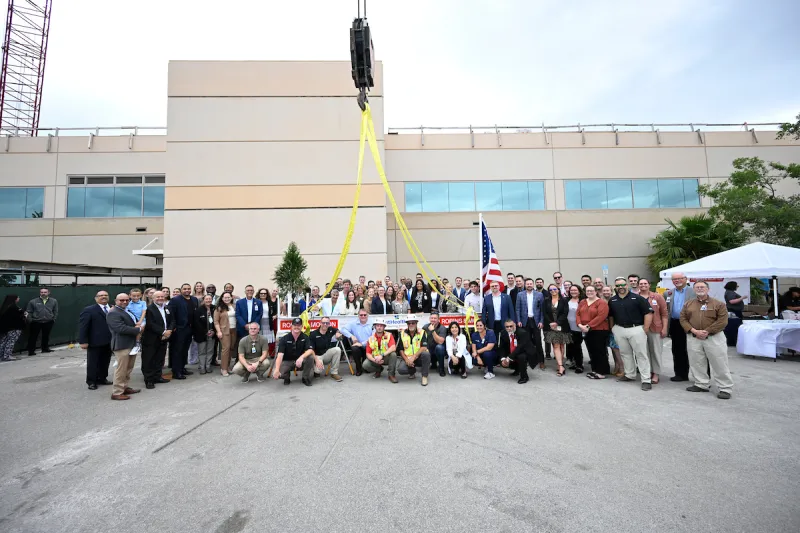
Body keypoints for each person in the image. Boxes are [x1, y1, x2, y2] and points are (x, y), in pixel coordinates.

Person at [680, 281, 732, 399]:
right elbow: (683, 319)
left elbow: (722, 321)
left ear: (708, 289)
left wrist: (707, 331)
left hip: (714, 337)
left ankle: (725, 388)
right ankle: (701, 384)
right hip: (694, 337)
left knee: (719, 363)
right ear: (694, 290)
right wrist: (694, 331)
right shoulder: (688, 304)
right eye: (697, 287)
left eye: (702, 287)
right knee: (697, 362)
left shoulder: (719, 304)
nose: (699, 289)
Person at [607, 276, 653, 391]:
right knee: (625, 354)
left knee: (641, 354)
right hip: (619, 329)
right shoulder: (612, 300)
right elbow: (611, 316)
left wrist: (645, 329)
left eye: (623, 285)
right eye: (618, 286)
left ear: (627, 285)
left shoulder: (638, 298)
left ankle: (646, 379)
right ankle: (629, 374)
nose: (620, 287)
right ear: (615, 287)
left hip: (636, 329)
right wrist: (613, 328)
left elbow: (648, 313)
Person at [106, 293, 145, 400]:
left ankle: (124, 387)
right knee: (121, 369)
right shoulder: (113, 313)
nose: (124, 302)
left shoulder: (126, 310)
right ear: (116, 301)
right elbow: (120, 329)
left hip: (130, 344)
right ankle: (117, 392)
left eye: (127, 300)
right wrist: (139, 330)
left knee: (128, 368)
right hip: (121, 345)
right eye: (121, 300)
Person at [78, 291, 113, 389]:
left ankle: (102, 378)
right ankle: (91, 381)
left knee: (105, 361)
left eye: (106, 295)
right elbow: (83, 326)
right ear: (96, 298)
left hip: (109, 341)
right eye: (101, 295)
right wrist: (83, 341)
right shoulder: (89, 310)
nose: (103, 297)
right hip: (95, 341)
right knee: (93, 362)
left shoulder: (112, 308)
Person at [666, 272, 695, 382]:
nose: (677, 281)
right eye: (674, 279)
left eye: (679, 278)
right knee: (677, 350)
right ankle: (680, 374)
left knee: (695, 350)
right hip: (675, 324)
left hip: (691, 323)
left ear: (685, 279)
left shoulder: (694, 292)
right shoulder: (668, 293)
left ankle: (702, 378)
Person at [141, 290, 174, 388]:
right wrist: (163, 332)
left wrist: (169, 330)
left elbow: (172, 320)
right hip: (151, 339)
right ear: (153, 298)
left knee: (160, 358)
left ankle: (158, 376)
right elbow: (150, 324)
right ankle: (149, 380)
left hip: (164, 338)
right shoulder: (149, 309)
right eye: (158, 297)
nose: (160, 298)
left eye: (162, 297)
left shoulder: (167, 308)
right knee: (149, 359)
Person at [576, 285, 610, 379]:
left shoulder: (601, 303)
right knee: (592, 351)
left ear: (596, 292)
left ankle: (602, 372)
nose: (589, 292)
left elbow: (601, 317)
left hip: (599, 330)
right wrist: (580, 325)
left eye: (591, 291)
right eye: (587, 291)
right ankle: (595, 370)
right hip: (585, 330)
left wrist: (588, 326)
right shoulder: (582, 302)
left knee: (600, 351)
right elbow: (578, 314)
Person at [638, 278, 668, 384]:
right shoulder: (635, 297)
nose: (643, 285)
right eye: (641, 284)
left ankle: (656, 373)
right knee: (644, 352)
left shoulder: (657, 297)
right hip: (640, 328)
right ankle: (648, 371)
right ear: (638, 286)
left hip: (655, 328)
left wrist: (664, 328)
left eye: (645, 283)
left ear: (649, 285)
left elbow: (664, 314)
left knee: (655, 351)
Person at [167, 283, 198, 379]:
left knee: (185, 349)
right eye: (185, 289)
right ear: (181, 290)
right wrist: (173, 327)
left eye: (188, 289)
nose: (187, 290)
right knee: (178, 350)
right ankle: (176, 371)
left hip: (190, 328)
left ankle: (182, 367)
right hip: (179, 329)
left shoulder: (194, 299)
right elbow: (171, 315)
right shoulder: (175, 300)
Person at [272, 318, 315, 386]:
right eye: (295, 325)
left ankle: (305, 377)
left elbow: (310, 350)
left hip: (300, 361)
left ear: (302, 327)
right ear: (291, 326)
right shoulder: (284, 339)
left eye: (299, 325)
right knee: (278, 374)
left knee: (310, 357)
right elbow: (280, 356)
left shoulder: (305, 337)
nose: (296, 327)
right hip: (287, 361)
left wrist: (301, 358)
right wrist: (277, 369)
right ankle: (286, 377)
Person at [515, 277, 544, 370]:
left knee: (538, 342)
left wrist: (541, 321)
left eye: (531, 284)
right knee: (526, 342)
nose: (529, 285)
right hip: (525, 321)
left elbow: (542, 310)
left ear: (533, 284)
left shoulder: (539, 295)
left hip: (535, 321)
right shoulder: (520, 294)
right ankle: (528, 360)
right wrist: (518, 320)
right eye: (527, 284)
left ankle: (541, 361)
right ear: (525, 284)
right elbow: (518, 309)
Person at [543, 283, 571, 376]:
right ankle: (560, 365)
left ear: (558, 290)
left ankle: (560, 365)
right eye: (550, 290)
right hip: (550, 326)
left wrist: (557, 323)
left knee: (562, 345)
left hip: (562, 325)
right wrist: (551, 323)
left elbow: (565, 313)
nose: (553, 291)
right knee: (555, 345)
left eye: (554, 289)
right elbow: (545, 313)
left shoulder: (564, 300)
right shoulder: (546, 300)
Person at [397, 314, 432, 386]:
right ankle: (412, 372)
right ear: (407, 324)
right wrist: (407, 360)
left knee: (426, 354)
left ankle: (424, 376)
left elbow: (424, 347)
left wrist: (414, 356)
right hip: (408, 358)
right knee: (401, 370)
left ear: (416, 323)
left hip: (418, 357)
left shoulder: (422, 332)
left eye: (413, 323)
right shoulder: (402, 333)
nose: (411, 324)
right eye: (409, 323)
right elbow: (400, 349)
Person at [497, 319, 532, 384]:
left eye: (511, 326)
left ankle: (524, 377)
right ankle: (517, 369)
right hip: (512, 352)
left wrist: (508, 358)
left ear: (515, 326)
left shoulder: (522, 333)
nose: (509, 328)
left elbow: (520, 348)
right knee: (500, 358)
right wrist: (503, 359)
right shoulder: (503, 333)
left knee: (521, 357)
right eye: (507, 327)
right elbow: (501, 347)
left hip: (524, 352)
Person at [308, 317, 344, 381]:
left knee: (337, 349)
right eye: (323, 323)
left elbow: (337, 330)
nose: (325, 324)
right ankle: (316, 371)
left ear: (329, 324)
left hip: (326, 354)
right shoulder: (313, 334)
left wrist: (337, 333)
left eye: (327, 323)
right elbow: (311, 350)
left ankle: (334, 373)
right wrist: (316, 360)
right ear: (320, 323)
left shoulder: (330, 330)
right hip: (317, 356)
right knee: (318, 370)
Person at [25, 287, 58, 356]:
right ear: (40, 293)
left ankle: (45, 348)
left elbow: (55, 311)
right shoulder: (33, 301)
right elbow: (28, 312)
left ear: (48, 293)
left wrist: (53, 319)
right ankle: (31, 351)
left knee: (46, 336)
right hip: (36, 321)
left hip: (48, 321)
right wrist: (30, 320)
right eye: (42, 292)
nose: (43, 293)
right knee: (33, 337)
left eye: (45, 292)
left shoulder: (54, 301)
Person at [341, 309, 372, 376]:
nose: (363, 316)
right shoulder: (353, 323)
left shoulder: (372, 324)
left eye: (365, 315)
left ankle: (365, 365)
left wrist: (362, 343)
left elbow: (373, 338)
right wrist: (351, 336)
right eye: (361, 315)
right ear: (358, 315)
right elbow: (343, 329)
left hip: (369, 346)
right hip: (358, 346)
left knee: (366, 367)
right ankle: (358, 368)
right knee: (354, 348)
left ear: (367, 315)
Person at [601, 285, 624, 376]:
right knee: (613, 348)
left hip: (615, 327)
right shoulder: (600, 301)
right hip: (605, 328)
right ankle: (616, 366)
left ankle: (622, 368)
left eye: (608, 290)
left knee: (617, 349)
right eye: (604, 290)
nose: (606, 292)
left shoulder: (615, 300)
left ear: (611, 291)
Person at [213, 292, 236, 376]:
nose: (226, 299)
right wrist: (218, 331)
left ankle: (228, 366)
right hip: (224, 331)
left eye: (228, 297)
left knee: (231, 349)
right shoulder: (219, 308)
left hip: (234, 330)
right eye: (225, 297)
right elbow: (216, 321)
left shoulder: (234, 306)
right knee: (225, 349)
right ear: (222, 298)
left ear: (231, 297)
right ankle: (223, 369)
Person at [192, 294, 216, 374]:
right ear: (203, 300)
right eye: (207, 299)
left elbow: (217, 321)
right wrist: (206, 331)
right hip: (201, 334)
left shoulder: (214, 308)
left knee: (210, 351)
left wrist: (213, 331)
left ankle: (208, 366)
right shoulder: (198, 310)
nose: (208, 300)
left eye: (210, 299)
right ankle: (202, 367)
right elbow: (196, 323)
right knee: (202, 351)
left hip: (212, 334)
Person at [565, 285, 585, 373]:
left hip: (579, 327)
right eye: (571, 290)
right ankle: (574, 362)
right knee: (571, 346)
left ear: (579, 291)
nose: (573, 292)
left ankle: (579, 365)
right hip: (569, 327)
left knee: (577, 346)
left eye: (575, 290)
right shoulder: (567, 300)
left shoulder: (583, 301)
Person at [0, 295, 26, 362]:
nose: (19, 298)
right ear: (14, 299)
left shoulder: (5, 307)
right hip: (14, 328)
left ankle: (2, 355)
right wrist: (23, 314)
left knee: (4, 342)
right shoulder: (14, 308)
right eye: (18, 297)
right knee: (10, 342)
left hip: (5, 329)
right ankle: (7, 356)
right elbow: (18, 318)